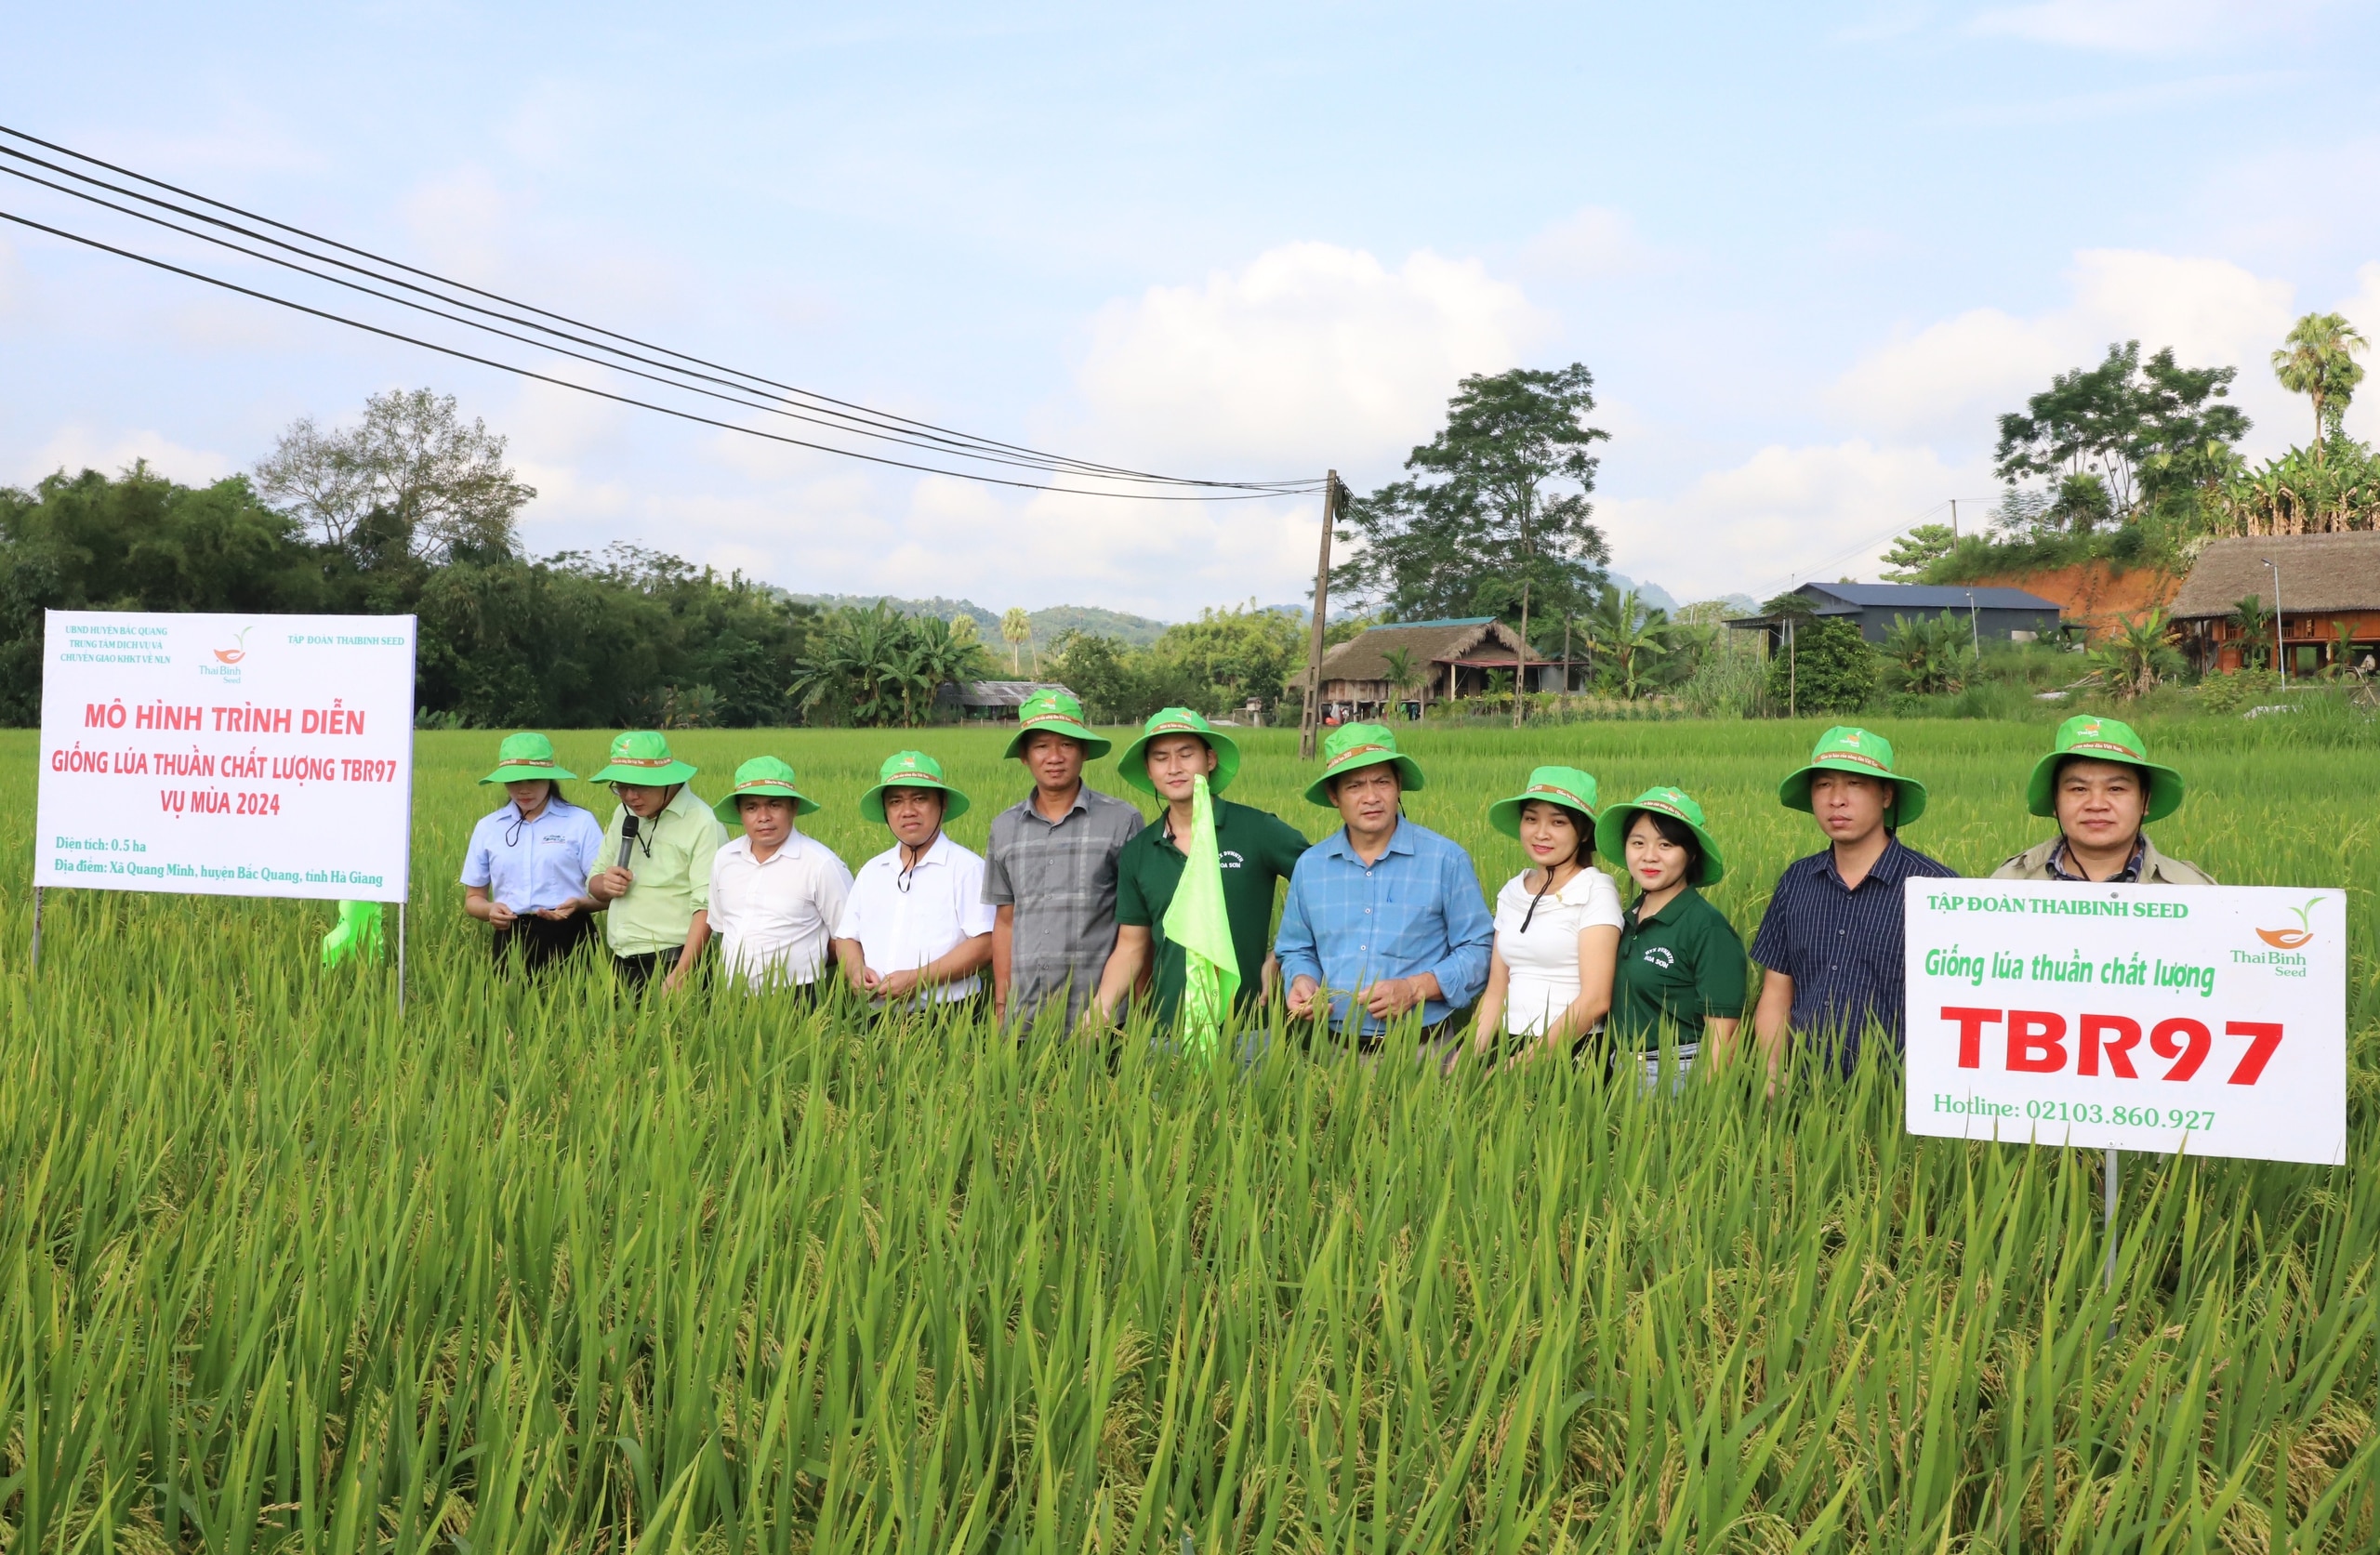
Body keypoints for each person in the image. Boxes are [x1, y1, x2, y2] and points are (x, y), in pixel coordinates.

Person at [1275, 722, 1494, 1054]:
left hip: (1424, 1053)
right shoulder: (1311, 867)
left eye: (1382, 782)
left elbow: (1479, 949)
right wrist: (1302, 979)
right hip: (1334, 1054)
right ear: (1334, 796)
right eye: (1354, 786)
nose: (1371, 797)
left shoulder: (1444, 860)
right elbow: (1295, 948)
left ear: (1399, 786)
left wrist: (1414, 988)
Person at [1750, 726, 1956, 1078]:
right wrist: (1772, 1071)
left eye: (1855, 784)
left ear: (1886, 795)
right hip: (1801, 1089)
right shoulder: (1797, 881)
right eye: (1824, 784)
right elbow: (1776, 991)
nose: (1837, 799)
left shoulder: (1937, 890)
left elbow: (1959, 1007)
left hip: (1895, 1098)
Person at [1094, 707, 1310, 1027]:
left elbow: (1327, 885)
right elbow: (1130, 946)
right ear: (1149, 770)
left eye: (1186, 754)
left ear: (1209, 760)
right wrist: (1102, 1006)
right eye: (1161, 757)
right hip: (1168, 1029)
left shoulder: (1258, 830)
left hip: (1248, 1028)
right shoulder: (1139, 852)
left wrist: (1285, 952)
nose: (1174, 768)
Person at [982, 689, 1143, 1029]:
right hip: (1025, 1018)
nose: (1054, 756)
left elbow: (1141, 925)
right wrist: (1001, 1006)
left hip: (1101, 1018)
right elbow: (1006, 921)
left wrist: (1139, 1009)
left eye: (1066, 745)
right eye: (1041, 746)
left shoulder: (1122, 821)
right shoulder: (1004, 828)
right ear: (1025, 757)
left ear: (1083, 752)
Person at [1466, 766, 1622, 1064]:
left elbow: (1595, 1000)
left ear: (1584, 831)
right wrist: (1464, 1061)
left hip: (1571, 1050)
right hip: (1508, 1044)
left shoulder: (1595, 891)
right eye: (1531, 819)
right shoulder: (1512, 892)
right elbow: (1497, 991)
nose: (1541, 833)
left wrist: (1516, 1067)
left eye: (1558, 822)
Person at [1594, 787, 1747, 1088]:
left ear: (1690, 854)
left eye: (1666, 844)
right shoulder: (1625, 917)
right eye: (1638, 843)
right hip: (1620, 1068)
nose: (1649, 856)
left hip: (1677, 1075)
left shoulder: (1707, 928)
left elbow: (1723, 1040)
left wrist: (1700, 1111)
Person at [832, 750, 997, 1009]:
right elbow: (846, 937)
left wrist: (919, 979)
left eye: (919, 799)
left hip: (947, 1015)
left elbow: (986, 943)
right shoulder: (873, 870)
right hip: (876, 1014)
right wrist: (855, 971)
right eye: (896, 802)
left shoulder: (967, 869)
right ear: (886, 811)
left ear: (942, 804)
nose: (907, 811)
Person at [1991, 715, 2213, 884]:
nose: (2096, 805)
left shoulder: (2192, 890)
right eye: (2079, 789)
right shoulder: (2007, 884)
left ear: (2144, 801)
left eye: (2116, 788)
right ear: (2055, 802)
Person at [586, 731, 726, 991]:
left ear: (667, 779)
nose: (630, 796)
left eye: (640, 786)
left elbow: (707, 907)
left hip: (676, 963)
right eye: (621, 786)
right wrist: (605, 884)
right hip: (621, 963)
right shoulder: (623, 813)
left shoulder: (703, 823)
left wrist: (682, 974)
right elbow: (594, 880)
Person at [458, 731, 605, 973]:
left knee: (575, 1008)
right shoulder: (489, 827)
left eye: (534, 779)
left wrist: (578, 904)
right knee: (509, 1008)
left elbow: (606, 896)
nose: (524, 790)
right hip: (511, 937)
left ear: (550, 779)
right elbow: (473, 899)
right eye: (515, 781)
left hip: (570, 933)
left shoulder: (579, 822)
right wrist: (490, 911)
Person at [707, 756, 852, 994]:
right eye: (751, 807)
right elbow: (723, 927)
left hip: (798, 994)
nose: (763, 817)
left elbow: (847, 938)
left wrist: (805, 960)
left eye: (774, 805)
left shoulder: (821, 864)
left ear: (793, 808)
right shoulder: (724, 858)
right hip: (731, 995)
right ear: (739, 812)